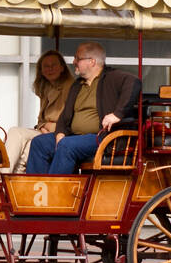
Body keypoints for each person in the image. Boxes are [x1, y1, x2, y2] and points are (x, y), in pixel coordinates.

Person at [26, 41, 141, 175]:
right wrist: (60, 133)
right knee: (39, 143)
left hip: (102, 137)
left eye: (78, 58)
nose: (74, 61)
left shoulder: (111, 77)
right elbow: (65, 116)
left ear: (92, 61)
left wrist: (117, 114)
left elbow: (134, 82)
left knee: (66, 145)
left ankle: (53, 191)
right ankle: (37, 190)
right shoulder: (77, 85)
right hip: (73, 137)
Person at [3, 50, 74, 173]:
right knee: (19, 137)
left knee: (24, 140)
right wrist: (43, 126)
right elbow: (41, 120)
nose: (50, 69)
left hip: (61, 134)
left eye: (54, 65)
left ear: (62, 68)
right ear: (41, 70)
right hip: (44, 131)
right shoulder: (46, 88)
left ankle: (4, 179)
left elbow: (70, 121)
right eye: (46, 66)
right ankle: (7, 179)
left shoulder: (70, 87)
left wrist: (47, 127)